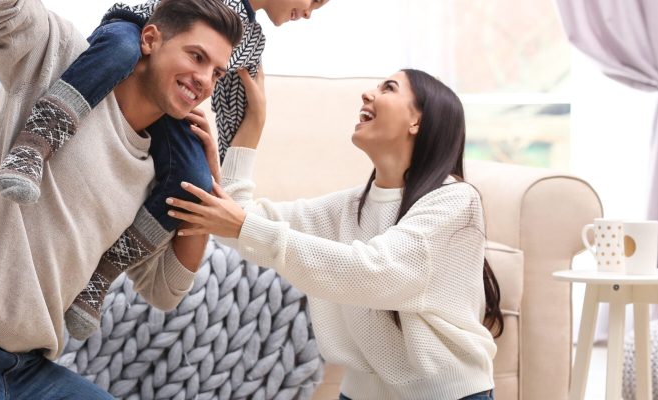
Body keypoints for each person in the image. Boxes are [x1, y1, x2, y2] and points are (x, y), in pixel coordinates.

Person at [0, 0, 242, 398]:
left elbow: (165, 291)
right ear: (151, 39)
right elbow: (1, 12)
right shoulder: (61, 58)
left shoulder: (163, 172)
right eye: (196, 56)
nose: (205, 79)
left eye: (217, 72)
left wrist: (207, 183)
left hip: (28, 370)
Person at [0, 0, 329, 339]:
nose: (309, 11)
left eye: (216, 71)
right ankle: (31, 147)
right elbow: (163, 19)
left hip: (169, 94)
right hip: (137, 32)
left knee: (195, 181)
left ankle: (102, 275)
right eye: (313, 0)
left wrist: (226, 157)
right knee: (124, 49)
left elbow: (231, 108)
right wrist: (154, 43)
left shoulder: (251, 43)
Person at [169, 68, 505, 400]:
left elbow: (377, 272)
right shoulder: (347, 207)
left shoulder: (455, 200)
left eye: (388, 88)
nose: (367, 94)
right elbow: (237, 228)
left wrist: (245, 227)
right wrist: (251, 126)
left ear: (417, 121)